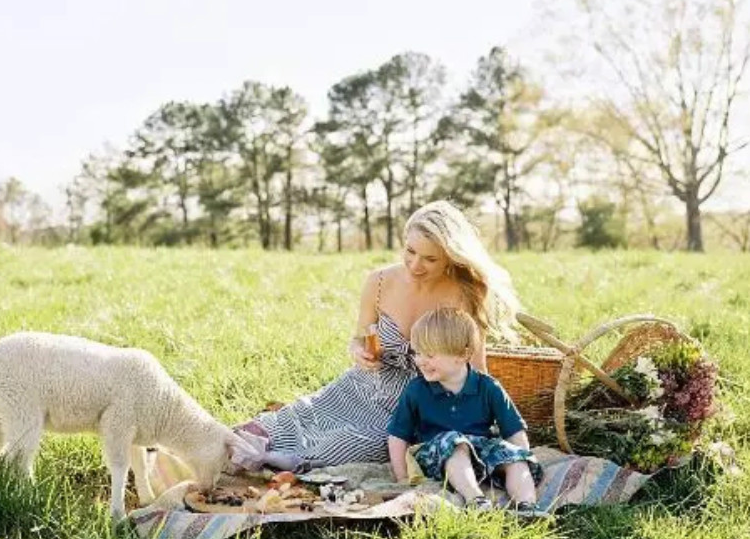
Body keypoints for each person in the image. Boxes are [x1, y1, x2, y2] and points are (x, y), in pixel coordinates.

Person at [230, 199, 525, 472]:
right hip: (362, 385)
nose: (415, 265)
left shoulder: (466, 294)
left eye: (430, 259)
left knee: (348, 445)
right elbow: (359, 336)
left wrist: (483, 421)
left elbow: (476, 368)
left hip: (417, 401)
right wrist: (359, 351)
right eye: (410, 251)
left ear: (450, 257)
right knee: (294, 419)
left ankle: (282, 463)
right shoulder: (380, 281)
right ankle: (243, 449)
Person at [386, 307, 546, 516]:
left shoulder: (488, 387)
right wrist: (402, 478)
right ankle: (476, 500)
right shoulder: (416, 390)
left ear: (462, 355)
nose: (420, 361)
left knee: (514, 457)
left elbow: (514, 431)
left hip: (480, 452)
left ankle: (527, 508)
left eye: (430, 355)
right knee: (455, 442)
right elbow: (398, 436)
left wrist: (521, 456)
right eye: (418, 353)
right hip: (436, 455)